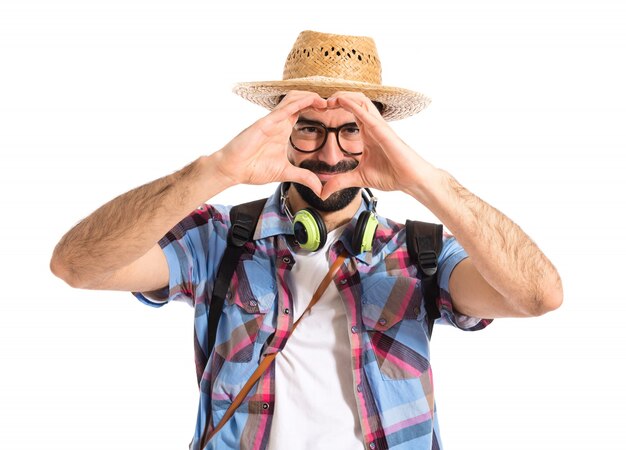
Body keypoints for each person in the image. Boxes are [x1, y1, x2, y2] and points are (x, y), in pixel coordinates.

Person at [50, 30, 563, 450]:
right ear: (281, 128)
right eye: (309, 128)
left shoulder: (420, 252)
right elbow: (76, 265)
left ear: (380, 136)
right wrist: (215, 170)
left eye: (353, 130)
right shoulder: (219, 237)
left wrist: (427, 181)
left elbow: (540, 296)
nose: (330, 153)